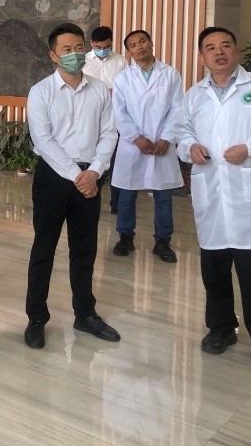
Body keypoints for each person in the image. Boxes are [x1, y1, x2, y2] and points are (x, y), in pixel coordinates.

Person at [177, 26, 251, 371]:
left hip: (249, 196)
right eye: (210, 47)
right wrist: (190, 147)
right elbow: (181, 131)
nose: (219, 52)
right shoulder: (195, 95)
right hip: (211, 194)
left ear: (236, 50)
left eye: (225, 45)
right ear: (202, 56)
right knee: (214, 270)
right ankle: (221, 328)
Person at [23, 22, 120, 350]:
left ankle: (85, 313)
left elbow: (109, 133)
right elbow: (43, 139)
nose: (75, 54)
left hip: (90, 178)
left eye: (79, 48)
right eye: (67, 49)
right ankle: (37, 318)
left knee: (85, 249)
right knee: (44, 249)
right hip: (54, 178)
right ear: (53, 55)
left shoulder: (99, 89)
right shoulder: (41, 92)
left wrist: (94, 172)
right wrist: (77, 175)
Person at [110, 30, 183, 263]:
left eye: (142, 41)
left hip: (162, 144)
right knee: (126, 194)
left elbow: (177, 109)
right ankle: (125, 237)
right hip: (133, 145)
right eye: (133, 45)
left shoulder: (170, 74)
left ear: (151, 43)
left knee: (163, 196)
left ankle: (162, 241)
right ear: (128, 51)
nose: (139, 47)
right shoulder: (123, 78)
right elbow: (119, 112)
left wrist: (167, 138)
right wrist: (136, 137)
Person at [84, 25, 128, 213]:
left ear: (111, 43)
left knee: (117, 161)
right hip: (91, 117)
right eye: (98, 47)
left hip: (116, 117)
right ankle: (90, 196)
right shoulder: (84, 61)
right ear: (92, 44)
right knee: (94, 159)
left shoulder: (121, 61)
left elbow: (128, 87)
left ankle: (116, 203)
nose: (102, 50)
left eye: (106, 46)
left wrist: (114, 92)